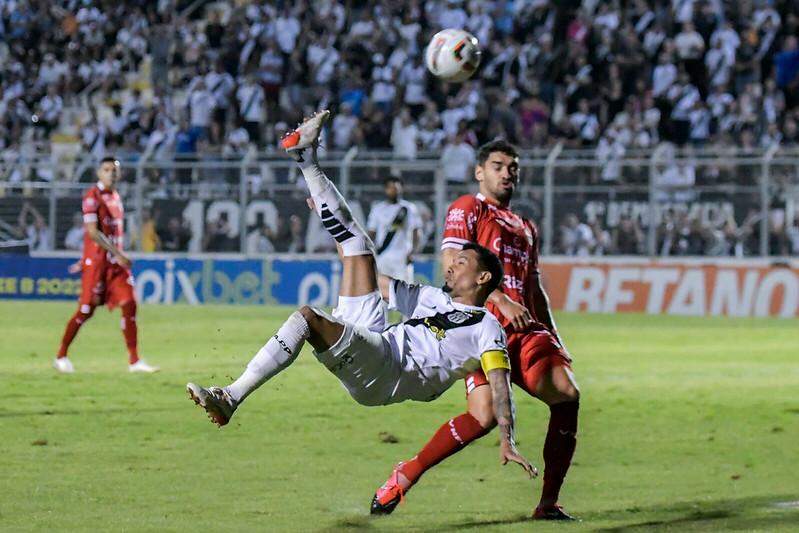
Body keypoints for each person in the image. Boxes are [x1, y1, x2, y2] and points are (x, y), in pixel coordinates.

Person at [187, 114, 536, 507]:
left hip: (385, 371)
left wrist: (507, 439)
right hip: (380, 341)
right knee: (358, 246)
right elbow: (374, 275)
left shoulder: (486, 326)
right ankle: (305, 158)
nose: (452, 264)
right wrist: (330, 220)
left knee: (308, 318)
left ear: (484, 278)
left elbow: (500, 386)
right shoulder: (433, 299)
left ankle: (230, 397)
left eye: (463, 263)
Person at [373, 140, 580, 520]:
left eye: (512, 167)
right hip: (477, 330)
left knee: (527, 405)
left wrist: (553, 334)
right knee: (523, 405)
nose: (506, 173)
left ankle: (546, 502)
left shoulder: (525, 227)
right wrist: (500, 299)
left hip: (521, 332)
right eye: (498, 166)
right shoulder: (469, 208)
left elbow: (534, 288)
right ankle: (408, 475)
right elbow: (452, 260)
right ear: (479, 171)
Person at [54, 157, 159, 374]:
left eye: (114, 170)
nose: (111, 173)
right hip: (99, 264)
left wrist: (118, 253)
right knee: (85, 311)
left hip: (115, 265)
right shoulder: (92, 196)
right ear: (99, 173)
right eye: (106, 169)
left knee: (130, 302)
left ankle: (134, 361)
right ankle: (61, 355)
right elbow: (92, 232)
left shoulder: (116, 197)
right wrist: (116, 254)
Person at [366, 176, 422, 284]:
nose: (393, 190)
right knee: (382, 291)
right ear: (385, 189)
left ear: (401, 189)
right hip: (382, 256)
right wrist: (369, 252)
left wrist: (413, 252)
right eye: (390, 188)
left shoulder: (409, 208)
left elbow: (416, 232)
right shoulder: (377, 209)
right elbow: (371, 233)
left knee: (405, 291)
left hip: (402, 257)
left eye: (396, 188)